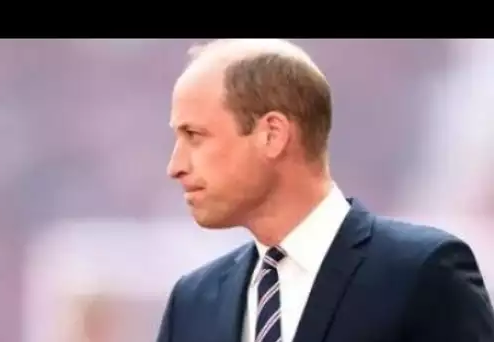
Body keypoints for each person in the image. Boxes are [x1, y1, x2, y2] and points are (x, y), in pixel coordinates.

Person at [156, 39, 494, 342]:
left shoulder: (423, 273)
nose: (175, 166)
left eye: (194, 136)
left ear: (272, 135)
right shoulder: (192, 302)